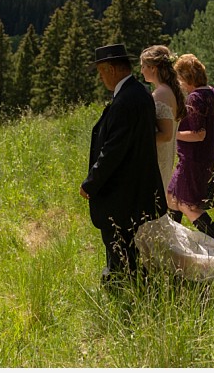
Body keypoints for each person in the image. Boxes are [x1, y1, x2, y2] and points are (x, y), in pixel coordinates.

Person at [80, 43, 167, 286]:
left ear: (111, 69)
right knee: (128, 244)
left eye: (100, 72)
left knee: (118, 244)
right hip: (135, 186)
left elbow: (113, 151)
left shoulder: (126, 100)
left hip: (121, 191)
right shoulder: (138, 93)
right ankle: (132, 283)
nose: (100, 78)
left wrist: (91, 183)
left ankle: (122, 287)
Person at [166, 53, 214, 247]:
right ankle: (172, 246)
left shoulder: (194, 98)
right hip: (204, 158)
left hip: (192, 160)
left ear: (187, 78)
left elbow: (198, 133)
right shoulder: (212, 93)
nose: (178, 83)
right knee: (172, 198)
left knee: (190, 207)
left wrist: (173, 134)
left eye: (179, 78)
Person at [139, 45, 186, 194]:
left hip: (159, 157)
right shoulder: (168, 90)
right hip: (164, 156)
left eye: (143, 66)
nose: (141, 71)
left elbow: (166, 135)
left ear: (153, 68)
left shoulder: (161, 94)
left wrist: (138, 138)